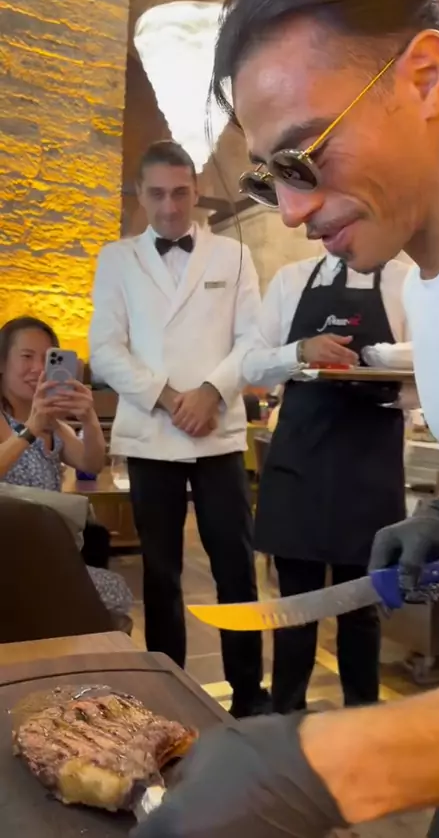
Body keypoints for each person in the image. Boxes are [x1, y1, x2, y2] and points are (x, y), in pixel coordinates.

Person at [132, 0, 439, 835]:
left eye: (305, 155)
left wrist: (332, 764)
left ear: (425, 76)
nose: (290, 212)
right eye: (269, 176)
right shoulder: (429, 284)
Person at [89, 140, 269, 718]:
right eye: (158, 194)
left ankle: (248, 695)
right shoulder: (117, 259)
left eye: (181, 193)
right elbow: (105, 349)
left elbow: (254, 340)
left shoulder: (233, 255)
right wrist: (171, 399)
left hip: (217, 431)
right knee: (161, 574)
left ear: (198, 191)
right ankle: (169, 700)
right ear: (140, 196)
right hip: (153, 432)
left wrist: (211, 392)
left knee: (235, 568)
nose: (170, 207)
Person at [242, 251, 411, 712]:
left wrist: (382, 384)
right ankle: (286, 723)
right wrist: (300, 352)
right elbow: (251, 365)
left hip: (370, 470)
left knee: (361, 611)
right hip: (302, 465)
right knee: (296, 611)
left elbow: (430, 372)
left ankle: (364, 722)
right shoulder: (290, 279)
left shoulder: (408, 281)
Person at [0, 316, 132, 618]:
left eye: (47, 359)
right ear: (2, 363)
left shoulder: (54, 425)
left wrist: (88, 418)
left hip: (47, 551)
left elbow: (91, 464)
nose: (38, 368)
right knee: (107, 595)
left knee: (116, 591)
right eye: (26, 357)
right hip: (9, 551)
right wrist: (31, 428)